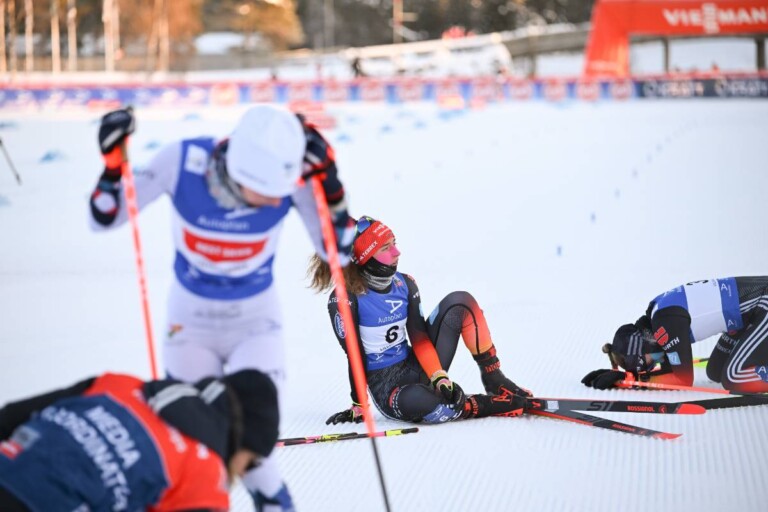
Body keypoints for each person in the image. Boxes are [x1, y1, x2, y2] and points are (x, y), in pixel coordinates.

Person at [88, 104, 355, 510]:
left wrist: (330, 188)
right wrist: (112, 165)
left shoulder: (292, 176)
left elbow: (339, 252)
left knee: (256, 437)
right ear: (235, 171)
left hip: (255, 320)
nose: (273, 200)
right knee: (199, 439)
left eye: (279, 192)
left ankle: (272, 501)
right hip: (190, 323)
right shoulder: (181, 162)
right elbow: (105, 218)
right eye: (264, 192)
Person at [308, 215, 531, 425]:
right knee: (422, 402)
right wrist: (359, 404)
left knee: (460, 302)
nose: (397, 252)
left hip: (417, 365)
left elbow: (420, 338)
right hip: (389, 388)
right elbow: (354, 356)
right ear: (366, 257)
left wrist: (438, 375)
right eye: (386, 248)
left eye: (394, 243)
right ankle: (479, 405)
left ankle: (494, 379)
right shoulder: (345, 299)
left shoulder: (405, 284)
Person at [0, 369, 278, 511]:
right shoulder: (204, 478)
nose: (242, 475)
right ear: (241, 439)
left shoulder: (120, 384)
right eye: (250, 463)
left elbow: (11, 416)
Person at [582, 277, 768, 393]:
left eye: (647, 363)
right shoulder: (656, 316)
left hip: (763, 306)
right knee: (715, 371)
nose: (653, 364)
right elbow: (670, 365)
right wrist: (628, 376)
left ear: (643, 344)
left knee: (734, 377)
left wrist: (632, 381)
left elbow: (684, 379)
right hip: (749, 314)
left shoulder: (665, 326)